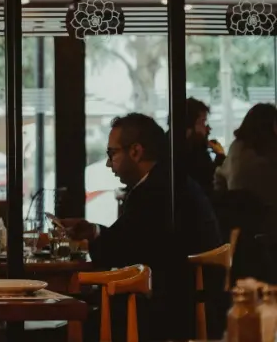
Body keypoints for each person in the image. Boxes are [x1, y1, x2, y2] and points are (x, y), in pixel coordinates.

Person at [63, 113, 222, 341]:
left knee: (73, 318)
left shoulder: (154, 191)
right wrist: (93, 231)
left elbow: (119, 254)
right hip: (192, 301)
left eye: (112, 154)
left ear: (136, 152)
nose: (108, 163)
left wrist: (84, 271)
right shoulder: (169, 182)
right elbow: (133, 240)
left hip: (167, 314)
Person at [214, 103, 277, 231]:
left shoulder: (236, 148)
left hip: (238, 228)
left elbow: (219, 179)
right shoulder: (270, 153)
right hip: (268, 228)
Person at [184, 98, 226, 199]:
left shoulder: (195, 147)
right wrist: (220, 156)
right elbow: (210, 180)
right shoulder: (193, 151)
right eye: (202, 122)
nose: (208, 128)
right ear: (188, 128)